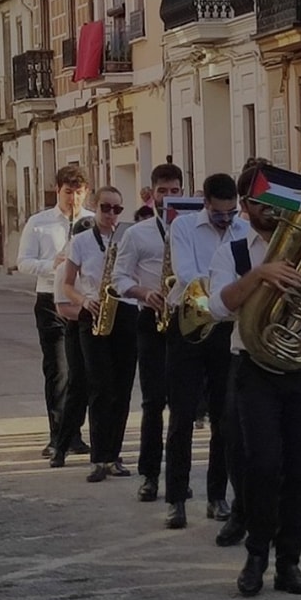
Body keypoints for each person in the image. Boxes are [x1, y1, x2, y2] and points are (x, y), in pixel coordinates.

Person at [209, 164, 301, 598]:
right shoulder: (234, 251)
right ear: (245, 207)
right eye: (262, 203)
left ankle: (289, 562)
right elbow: (219, 308)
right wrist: (259, 275)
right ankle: (256, 555)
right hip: (254, 369)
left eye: (279, 204)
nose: (271, 211)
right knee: (262, 465)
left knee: (298, 470)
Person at [162, 173, 247, 530]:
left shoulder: (242, 230)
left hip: (225, 328)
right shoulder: (183, 227)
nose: (226, 221)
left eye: (231, 214)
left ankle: (217, 496)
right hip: (188, 325)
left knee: (225, 417)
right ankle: (177, 499)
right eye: (219, 214)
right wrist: (230, 287)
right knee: (182, 415)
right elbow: (187, 275)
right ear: (205, 202)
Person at [111, 163, 184, 502]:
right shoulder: (136, 234)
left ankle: (179, 478)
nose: (168, 197)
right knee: (154, 402)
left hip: (188, 321)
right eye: (162, 191)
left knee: (185, 405)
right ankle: (150, 476)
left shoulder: (192, 229)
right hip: (151, 320)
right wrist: (144, 293)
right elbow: (119, 278)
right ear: (151, 194)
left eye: (174, 191)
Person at [61, 187, 139, 482]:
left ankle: (114, 455)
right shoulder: (81, 241)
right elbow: (68, 284)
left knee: (122, 388)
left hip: (126, 312)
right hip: (93, 313)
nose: (111, 214)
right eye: (106, 208)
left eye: (117, 209)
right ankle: (99, 458)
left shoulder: (129, 239)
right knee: (99, 387)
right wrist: (84, 300)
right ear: (95, 208)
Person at [17, 165, 94, 458]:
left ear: (86, 192)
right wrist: (53, 264)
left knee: (84, 370)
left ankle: (76, 434)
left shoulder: (92, 222)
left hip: (83, 300)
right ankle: (58, 435)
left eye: (78, 192)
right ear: (58, 190)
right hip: (50, 299)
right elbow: (23, 262)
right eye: (67, 192)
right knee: (59, 370)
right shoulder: (39, 223)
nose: (73, 199)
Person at [49, 216, 95, 469]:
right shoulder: (64, 268)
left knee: (101, 390)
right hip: (77, 330)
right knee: (77, 389)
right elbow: (63, 308)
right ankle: (61, 445)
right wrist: (91, 314)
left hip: (98, 330)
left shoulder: (97, 262)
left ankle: (104, 450)